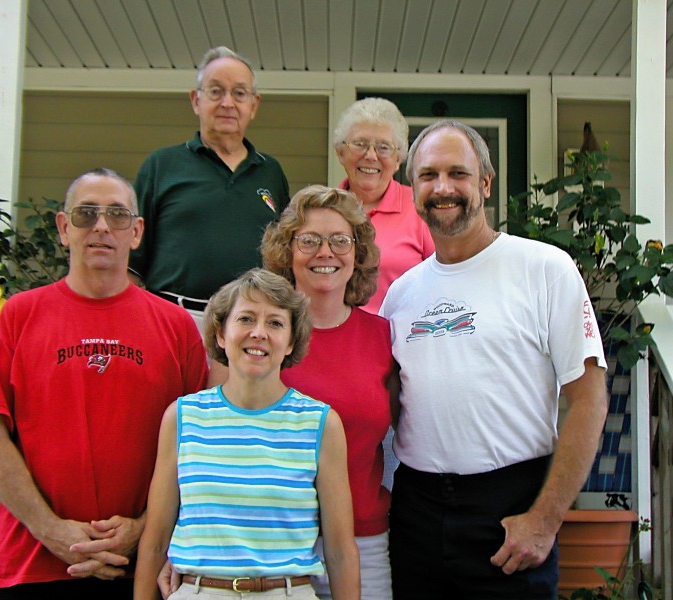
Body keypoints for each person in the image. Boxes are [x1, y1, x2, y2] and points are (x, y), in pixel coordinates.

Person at [380, 120, 608, 599]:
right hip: (415, 513)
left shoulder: (544, 269)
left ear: (485, 182)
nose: (443, 188)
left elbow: (588, 399)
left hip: (511, 509)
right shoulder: (401, 295)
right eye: (428, 175)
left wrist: (545, 521)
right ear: (413, 187)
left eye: (457, 173)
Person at [0, 168, 209, 599]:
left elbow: (199, 442)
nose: (101, 226)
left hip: (143, 569)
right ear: (62, 227)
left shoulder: (176, 327)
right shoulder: (19, 316)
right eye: (86, 214)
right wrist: (51, 530)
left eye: (117, 215)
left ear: (137, 232)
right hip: (32, 565)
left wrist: (145, 526)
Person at [135, 268, 360, 600]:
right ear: (222, 334)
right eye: (246, 319)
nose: (259, 333)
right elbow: (154, 542)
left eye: (275, 323)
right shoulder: (182, 418)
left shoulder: (320, 425)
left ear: (291, 342)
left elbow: (340, 552)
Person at [262, 185, 396, 599]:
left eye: (340, 240)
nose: (326, 252)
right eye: (309, 241)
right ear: (287, 253)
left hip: (364, 540)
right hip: (272, 543)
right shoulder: (261, 334)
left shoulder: (383, 337)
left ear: (357, 254)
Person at [130, 46, 289, 331]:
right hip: (173, 321)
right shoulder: (161, 166)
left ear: (253, 105)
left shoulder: (271, 172)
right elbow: (131, 259)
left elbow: (284, 255)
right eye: (216, 91)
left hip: (250, 328)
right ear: (196, 100)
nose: (228, 103)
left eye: (239, 93)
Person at [333, 97, 434, 314]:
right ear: (340, 153)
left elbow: (446, 282)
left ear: (398, 159)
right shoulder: (325, 211)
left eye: (383, 147)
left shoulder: (421, 209)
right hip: (335, 341)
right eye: (359, 144)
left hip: (401, 342)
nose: (370, 156)